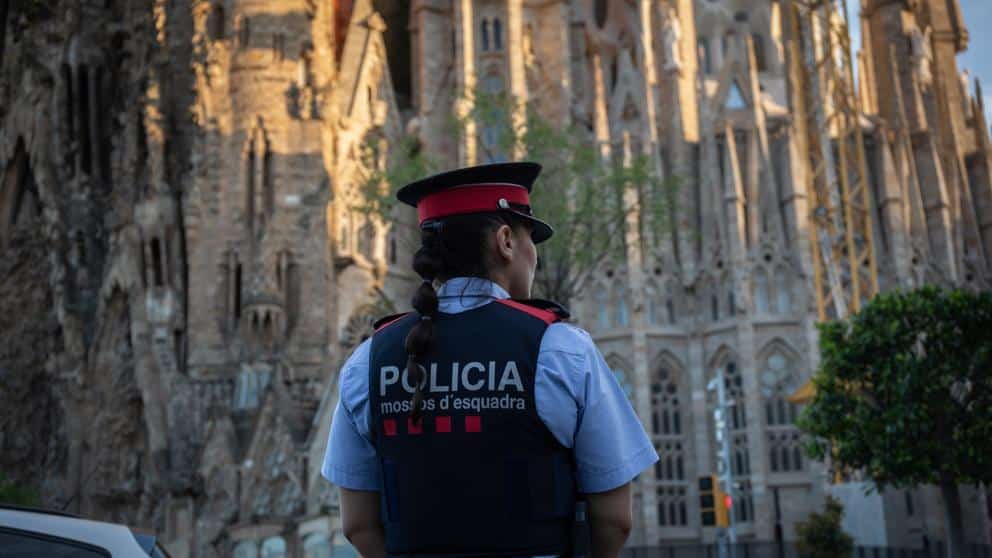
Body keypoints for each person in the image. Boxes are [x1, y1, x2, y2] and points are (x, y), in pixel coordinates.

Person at [322, 162, 658, 558]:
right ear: (506, 241)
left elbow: (357, 524)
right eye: (531, 239)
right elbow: (616, 519)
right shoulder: (562, 351)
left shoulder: (368, 361)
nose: (535, 256)